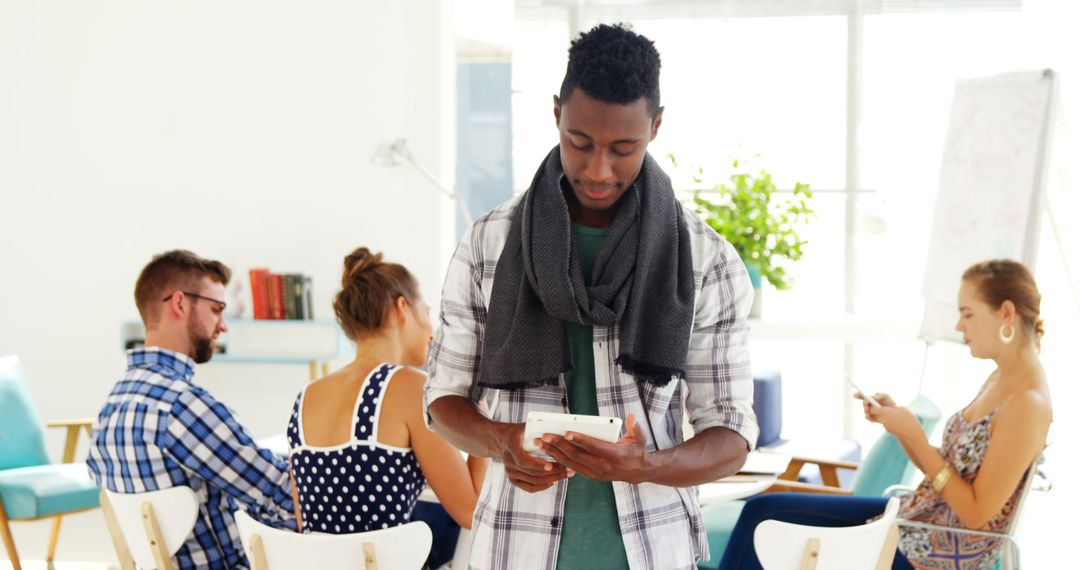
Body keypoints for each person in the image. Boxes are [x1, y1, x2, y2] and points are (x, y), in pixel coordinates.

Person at [424, 23, 758, 570]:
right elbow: (441, 400)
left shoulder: (707, 259)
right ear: (556, 113)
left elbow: (733, 431)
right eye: (581, 143)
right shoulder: (489, 242)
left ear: (656, 125)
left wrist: (646, 465)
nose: (599, 170)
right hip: (513, 547)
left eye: (624, 148)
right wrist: (499, 439)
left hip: (654, 550)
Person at [720, 259, 1053, 569]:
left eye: (968, 314)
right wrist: (900, 426)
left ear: (1006, 313)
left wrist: (913, 435)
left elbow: (976, 513)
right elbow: (954, 472)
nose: (958, 325)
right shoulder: (1001, 378)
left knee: (764, 520)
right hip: (914, 520)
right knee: (763, 512)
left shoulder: (1028, 404)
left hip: (931, 552)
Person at [87, 250, 295, 569]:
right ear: (180, 303)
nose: (222, 326)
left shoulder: (110, 407)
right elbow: (281, 494)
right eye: (216, 310)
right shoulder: (180, 406)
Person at [285, 248, 487, 558]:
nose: (432, 331)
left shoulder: (307, 396)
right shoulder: (409, 386)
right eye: (427, 313)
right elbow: (472, 511)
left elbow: (307, 523)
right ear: (402, 307)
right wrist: (479, 410)